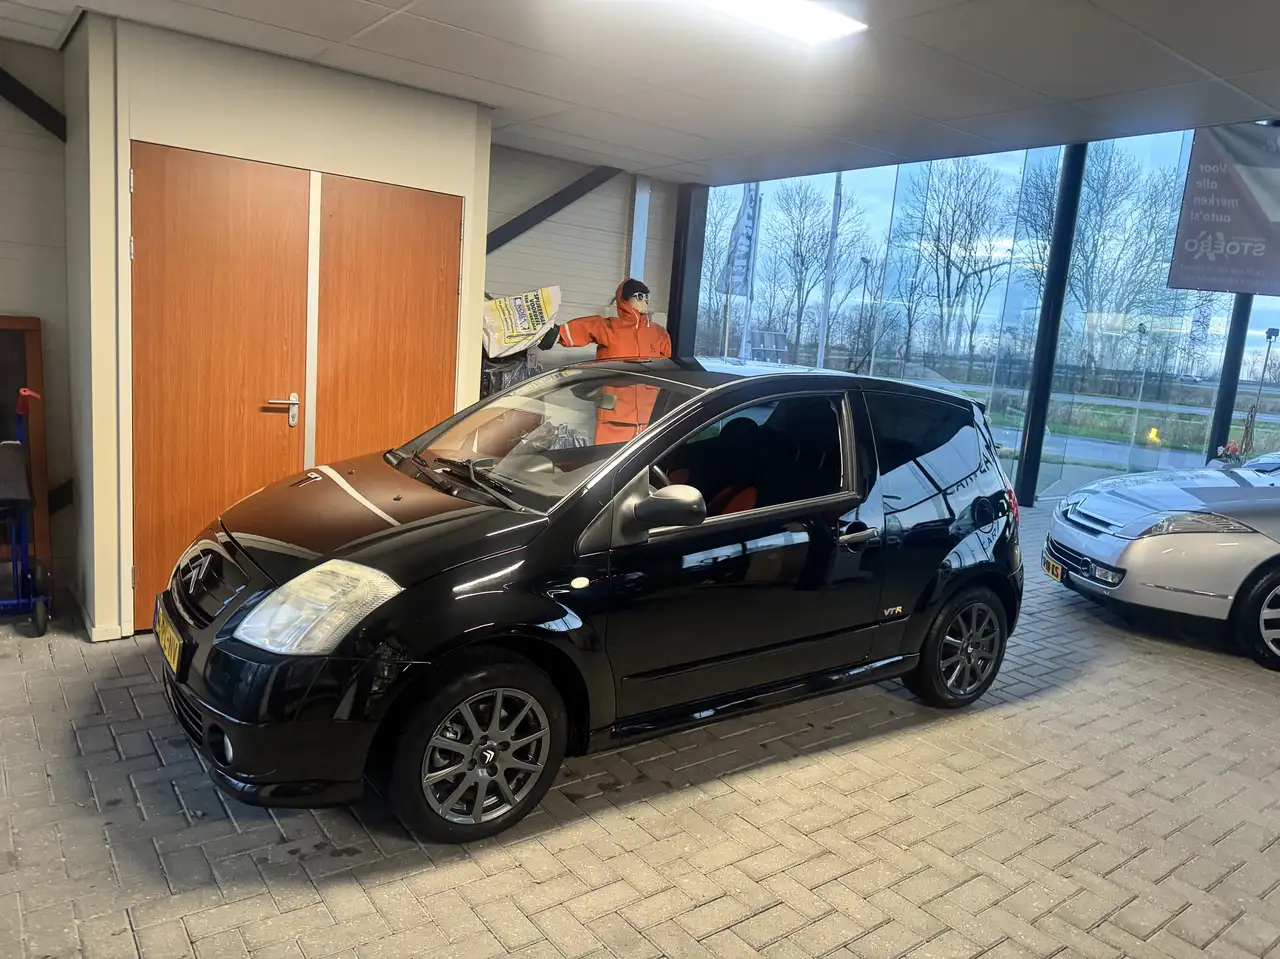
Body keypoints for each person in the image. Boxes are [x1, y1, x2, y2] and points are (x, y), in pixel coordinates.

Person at [539, 278, 671, 444]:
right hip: (614, 416)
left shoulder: (659, 334)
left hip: (650, 418)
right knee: (608, 456)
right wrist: (557, 334)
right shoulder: (610, 328)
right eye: (639, 296)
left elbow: (669, 372)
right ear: (624, 300)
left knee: (649, 458)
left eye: (647, 296)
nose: (645, 300)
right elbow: (588, 327)